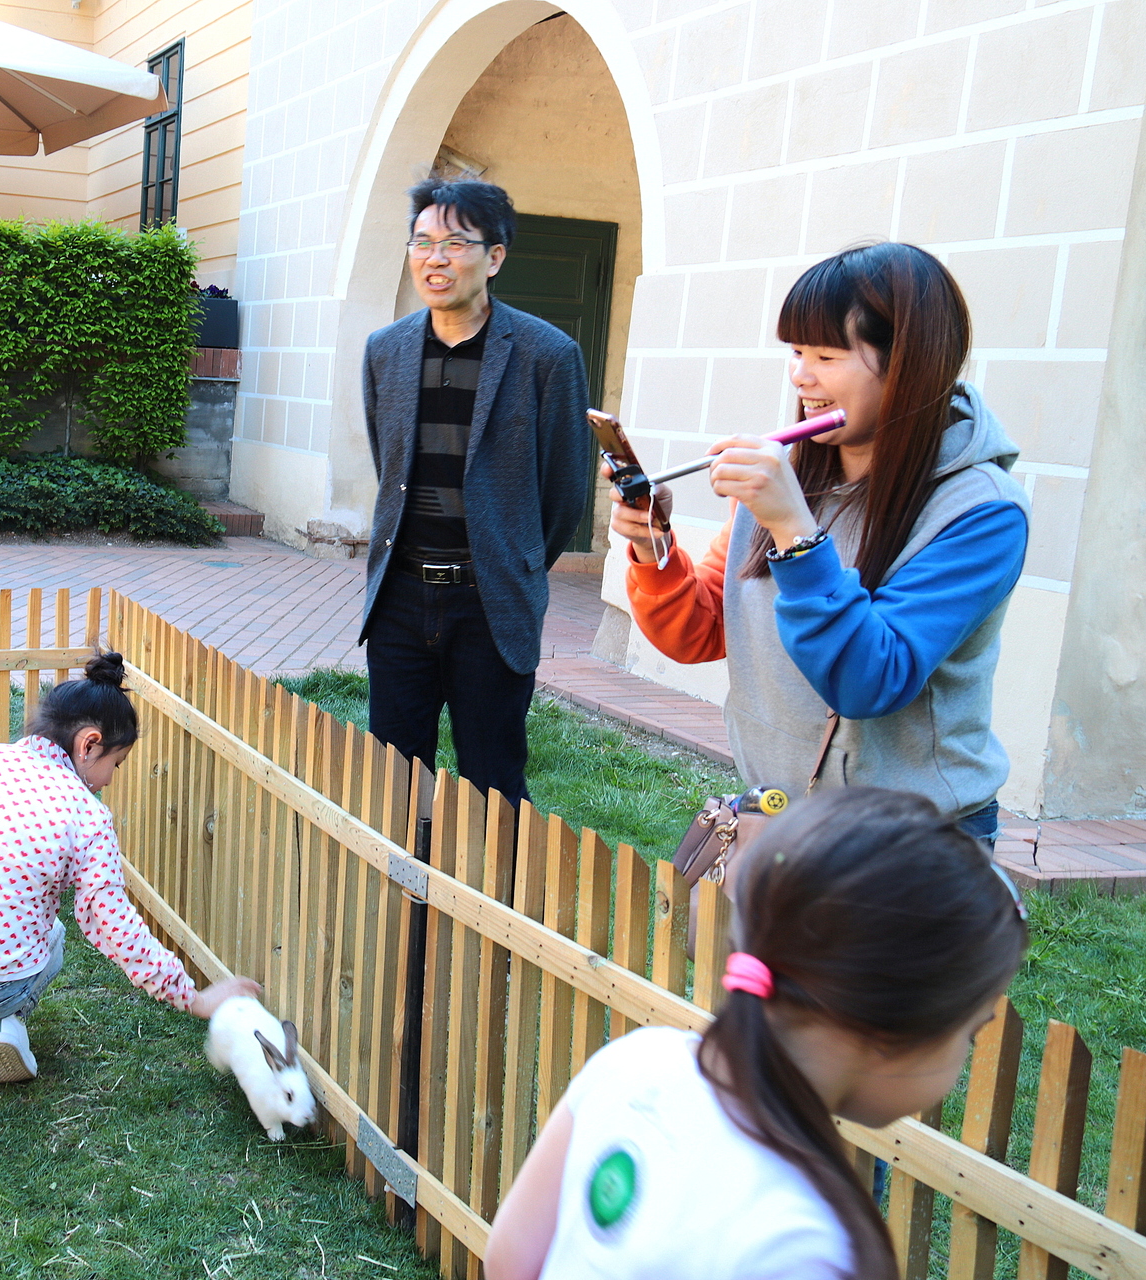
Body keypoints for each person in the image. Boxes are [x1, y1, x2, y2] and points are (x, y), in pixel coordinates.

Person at [484, 787, 1028, 1280]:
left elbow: (510, 1261)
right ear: (890, 1031)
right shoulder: (802, 1246)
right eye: (970, 1033)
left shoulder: (635, 1060)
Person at [611, 243, 1028, 844]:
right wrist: (655, 552)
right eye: (797, 351)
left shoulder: (983, 512)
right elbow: (701, 629)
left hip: (912, 843)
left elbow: (869, 681)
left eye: (827, 356)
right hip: (779, 818)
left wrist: (796, 533)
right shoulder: (787, 476)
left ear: (909, 363)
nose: (801, 375)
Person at [0, 652, 259, 1084]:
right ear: (89, 745)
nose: (109, 780)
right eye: (115, 764)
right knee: (52, 935)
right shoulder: (86, 814)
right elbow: (110, 921)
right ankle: (4, 1025)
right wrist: (193, 998)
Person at [358, 179, 592, 807]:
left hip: (490, 602)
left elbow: (565, 492)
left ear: (494, 257)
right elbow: (391, 465)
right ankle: (405, 872)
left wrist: (508, 558)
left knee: (493, 778)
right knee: (394, 778)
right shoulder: (385, 351)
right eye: (422, 242)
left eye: (456, 243)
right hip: (400, 597)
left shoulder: (548, 354)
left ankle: (492, 874)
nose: (435, 259)